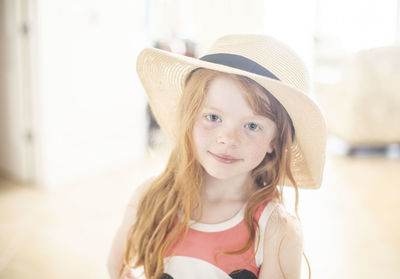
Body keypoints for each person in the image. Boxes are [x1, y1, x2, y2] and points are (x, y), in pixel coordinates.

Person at [108, 34, 327, 279]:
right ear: (190, 119)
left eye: (252, 126)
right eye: (213, 118)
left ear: (274, 141)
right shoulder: (151, 198)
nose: (228, 139)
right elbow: (116, 267)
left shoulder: (276, 231)